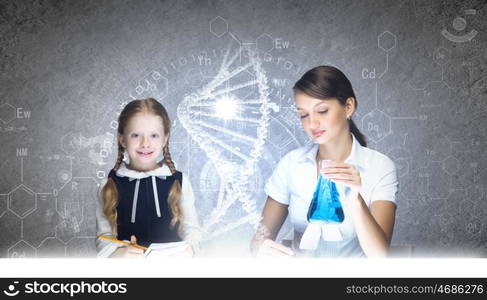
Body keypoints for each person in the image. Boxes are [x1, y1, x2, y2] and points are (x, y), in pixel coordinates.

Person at [251, 66, 398, 258]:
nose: (312, 124)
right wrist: (260, 250)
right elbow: (258, 242)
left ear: (348, 107)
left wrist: (355, 198)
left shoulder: (379, 166)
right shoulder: (291, 164)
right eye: (304, 114)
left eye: (322, 111)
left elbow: (380, 256)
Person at [95, 98, 200, 258]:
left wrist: (189, 250)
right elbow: (103, 237)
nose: (145, 143)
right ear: (122, 139)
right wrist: (117, 254)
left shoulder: (179, 182)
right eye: (136, 135)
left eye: (154, 136)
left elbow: (192, 231)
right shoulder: (109, 185)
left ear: (165, 139)